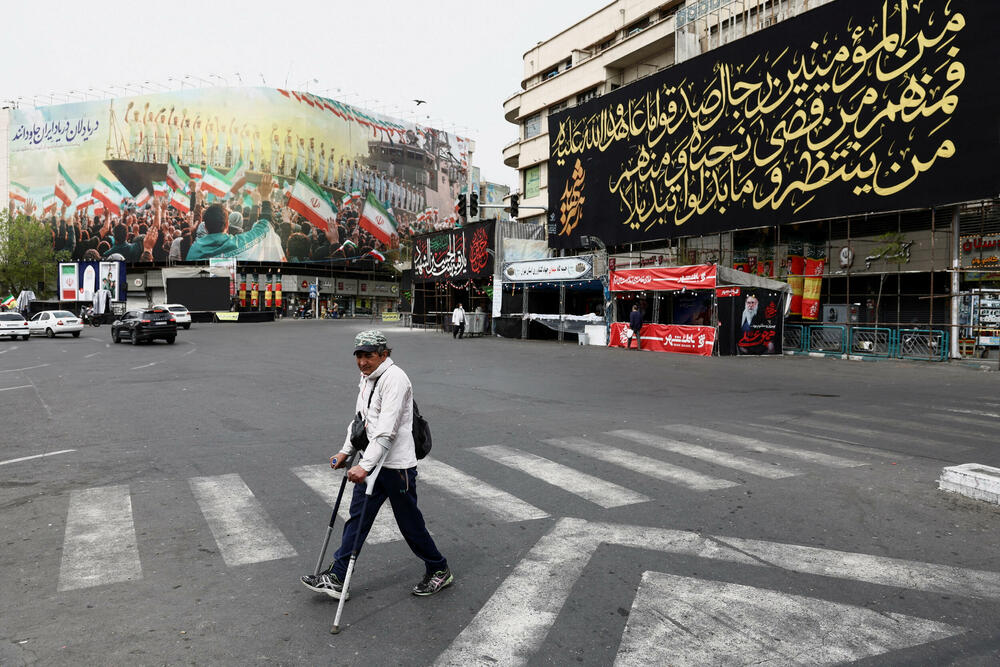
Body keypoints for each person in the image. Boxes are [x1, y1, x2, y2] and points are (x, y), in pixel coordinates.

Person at [300, 330, 453, 599]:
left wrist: (365, 466)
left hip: (396, 467)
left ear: (384, 354)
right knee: (357, 519)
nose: (362, 361)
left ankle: (439, 568)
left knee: (409, 524)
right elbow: (361, 421)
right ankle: (338, 575)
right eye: (358, 355)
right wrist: (346, 452)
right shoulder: (367, 379)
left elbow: (386, 431)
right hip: (371, 463)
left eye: (368, 355)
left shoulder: (395, 380)